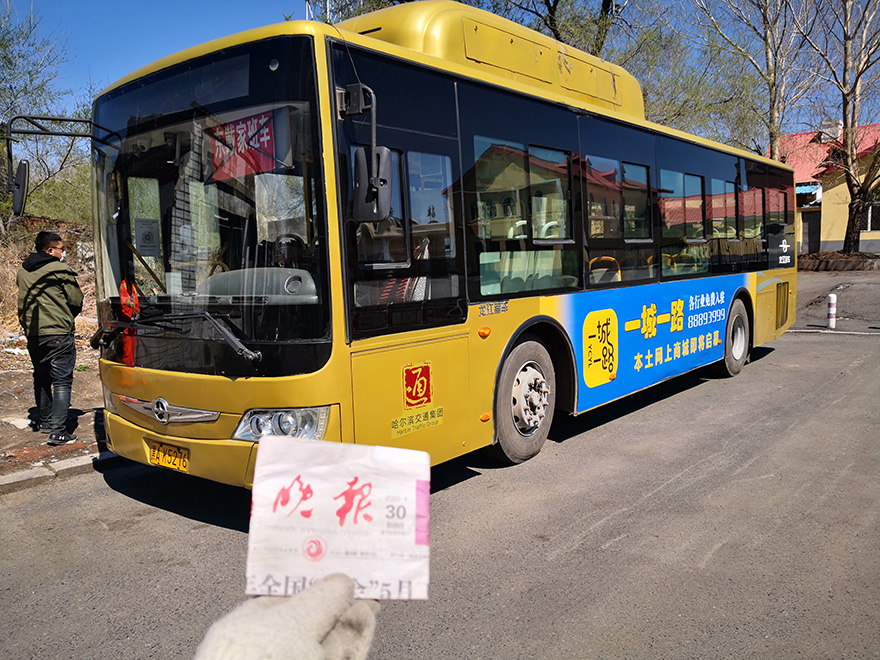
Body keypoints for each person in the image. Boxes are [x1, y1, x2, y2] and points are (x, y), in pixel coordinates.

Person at [16, 231, 84, 446]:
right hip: (58, 333)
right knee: (62, 381)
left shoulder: (23, 271)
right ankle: (58, 431)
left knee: (41, 377)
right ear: (50, 250)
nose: (64, 252)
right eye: (61, 249)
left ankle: (45, 422)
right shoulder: (59, 269)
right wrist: (66, 317)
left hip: (34, 333)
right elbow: (76, 300)